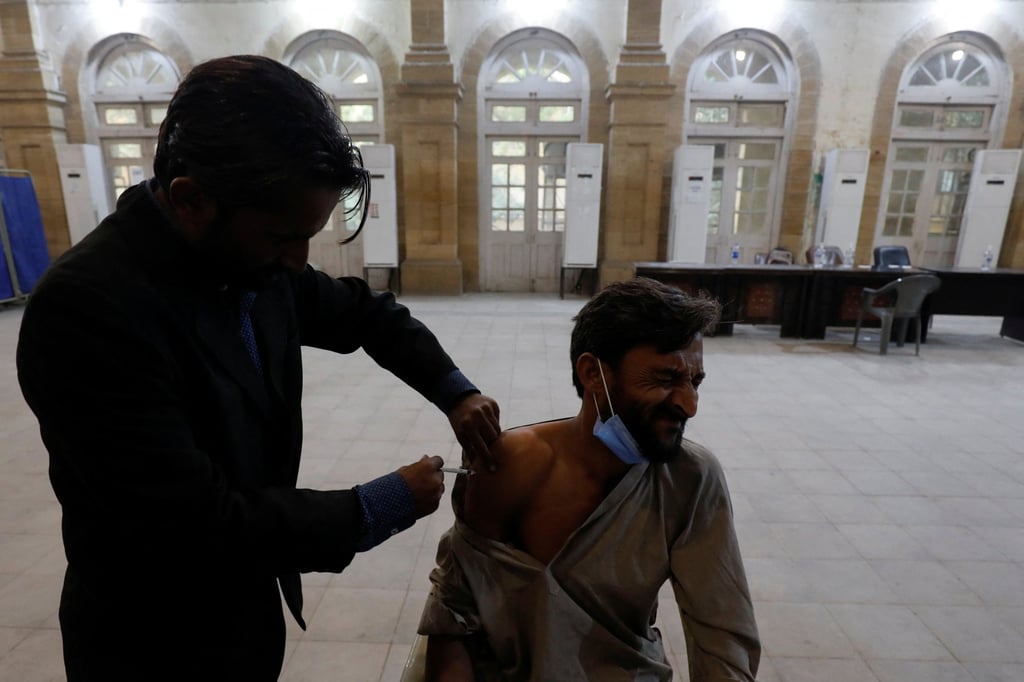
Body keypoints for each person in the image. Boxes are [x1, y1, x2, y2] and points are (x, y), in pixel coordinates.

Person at [16, 55, 500, 680]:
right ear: (191, 200)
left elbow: (364, 313)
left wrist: (453, 390)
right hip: (151, 635)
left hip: (244, 611)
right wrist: (377, 505)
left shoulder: (247, 261)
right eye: (282, 237)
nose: (298, 262)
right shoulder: (89, 311)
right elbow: (196, 522)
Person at [419, 278, 760, 681]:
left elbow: (722, 635)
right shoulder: (510, 466)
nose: (689, 405)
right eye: (665, 380)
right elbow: (455, 612)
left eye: (695, 381)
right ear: (592, 373)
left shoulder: (689, 480)